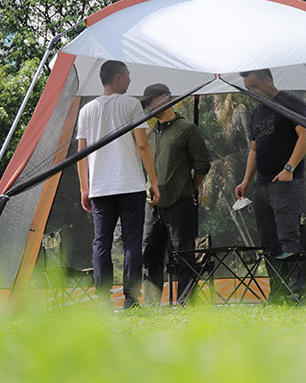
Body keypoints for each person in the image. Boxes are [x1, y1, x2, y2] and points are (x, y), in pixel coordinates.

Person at [76, 60, 160, 310]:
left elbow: (81, 154)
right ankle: (131, 300)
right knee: (132, 242)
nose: (130, 80)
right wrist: (153, 181)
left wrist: (84, 188)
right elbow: (142, 145)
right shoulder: (131, 104)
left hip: (100, 188)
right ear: (118, 77)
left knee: (101, 242)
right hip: (130, 185)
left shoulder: (86, 111)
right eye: (128, 75)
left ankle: (102, 301)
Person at [235, 69, 306, 304]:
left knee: (289, 238)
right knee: (269, 241)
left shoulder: (290, 101)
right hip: (262, 186)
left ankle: (298, 294)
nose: (251, 91)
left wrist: (289, 168)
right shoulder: (257, 112)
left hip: (286, 184)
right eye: (247, 88)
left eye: (254, 86)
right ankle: (277, 294)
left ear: (268, 80)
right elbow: (254, 150)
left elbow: (305, 136)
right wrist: (246, 181)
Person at [140, 83, 211, 306]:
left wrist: (191, 188)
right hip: (152, 205)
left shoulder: (187, 129)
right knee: (149, 253)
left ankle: (185, 303)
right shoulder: (150, 133)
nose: (148, 108)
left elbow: (203, 164)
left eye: (150, 102)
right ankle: (151, 303)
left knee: (184, 253)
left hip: (180, 202)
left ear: (164, 98)